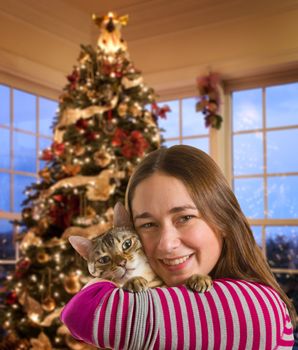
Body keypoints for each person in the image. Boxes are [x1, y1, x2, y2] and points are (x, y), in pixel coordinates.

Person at [61, 145, 296, 349]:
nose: (166, 243)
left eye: (185, 217)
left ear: (223, 219)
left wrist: (99, 282)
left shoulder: (258, 309)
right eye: (148, 224)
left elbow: (83, 310)